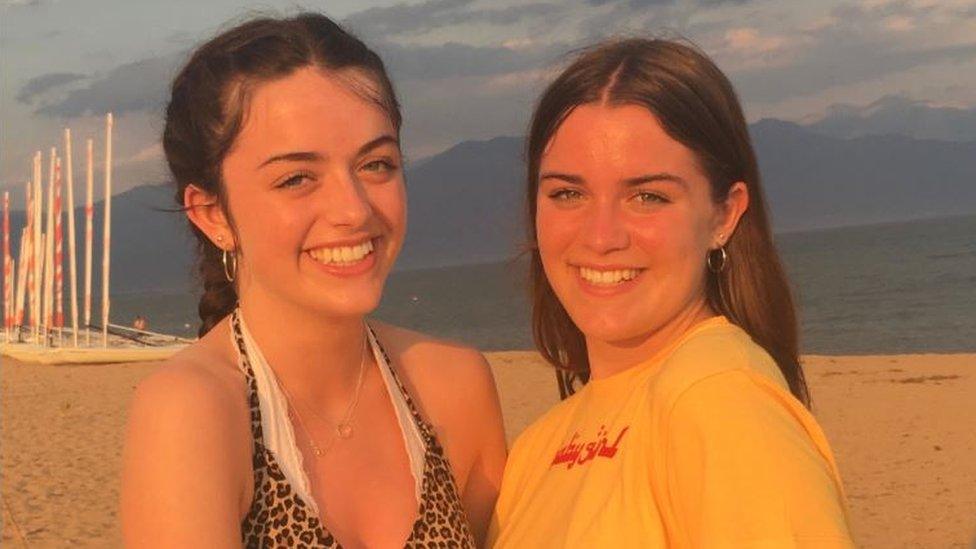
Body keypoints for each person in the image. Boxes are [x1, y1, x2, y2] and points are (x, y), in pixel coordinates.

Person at [120, 14, 506, 548]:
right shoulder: (194, 409)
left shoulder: (455, 387)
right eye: (297, 178)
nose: (352, 209)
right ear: (213, 215)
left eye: (376, 164)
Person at [489, 38, 855, 547]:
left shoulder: (719, 399)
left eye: (647, 196)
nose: (601, 237)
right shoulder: (539, 446)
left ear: (724, 215)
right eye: (567, 193)